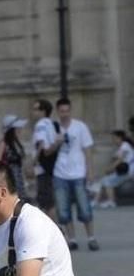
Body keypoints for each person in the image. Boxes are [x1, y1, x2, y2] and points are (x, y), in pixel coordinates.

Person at [53, 98, 99, 251]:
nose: (65, 114)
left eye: (67, 110)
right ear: (58, 111)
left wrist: (90, 171)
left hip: (78, 173)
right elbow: (48, 150)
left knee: (85, 207)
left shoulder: (80, 127)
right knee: (63, 209)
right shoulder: (53, 128)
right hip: (59, 173)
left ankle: (91, 238)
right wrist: (56, 142)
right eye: (62, 111)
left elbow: (88, 150)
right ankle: (72, 239)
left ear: (70, 110)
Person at [91, 130, 134, 209]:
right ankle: (96, 201)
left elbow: (120, 160)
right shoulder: (122, 147)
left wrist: (110, 169)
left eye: (114, 138)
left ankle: (111, 201)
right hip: (124, 171)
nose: (113, 140)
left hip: (128, 172)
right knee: (104, 180)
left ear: (119, 138)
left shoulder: (125, 146)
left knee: (107, 181)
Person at [31, 99, 59, 220]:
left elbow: (41, 144)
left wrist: (34, 160)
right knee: (49, 200)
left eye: (36, 109)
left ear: (43, 111)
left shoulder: (40, 125)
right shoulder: (50, 124)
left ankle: (53, 227)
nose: (33, 112)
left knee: (46, 203)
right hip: (50, 166)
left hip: (42, 167)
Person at [0, 114, 28, 199]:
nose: (20, 130)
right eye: (17, 128)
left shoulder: (15, 144)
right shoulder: (3, 144)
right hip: (8, 182)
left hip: (18, 181)